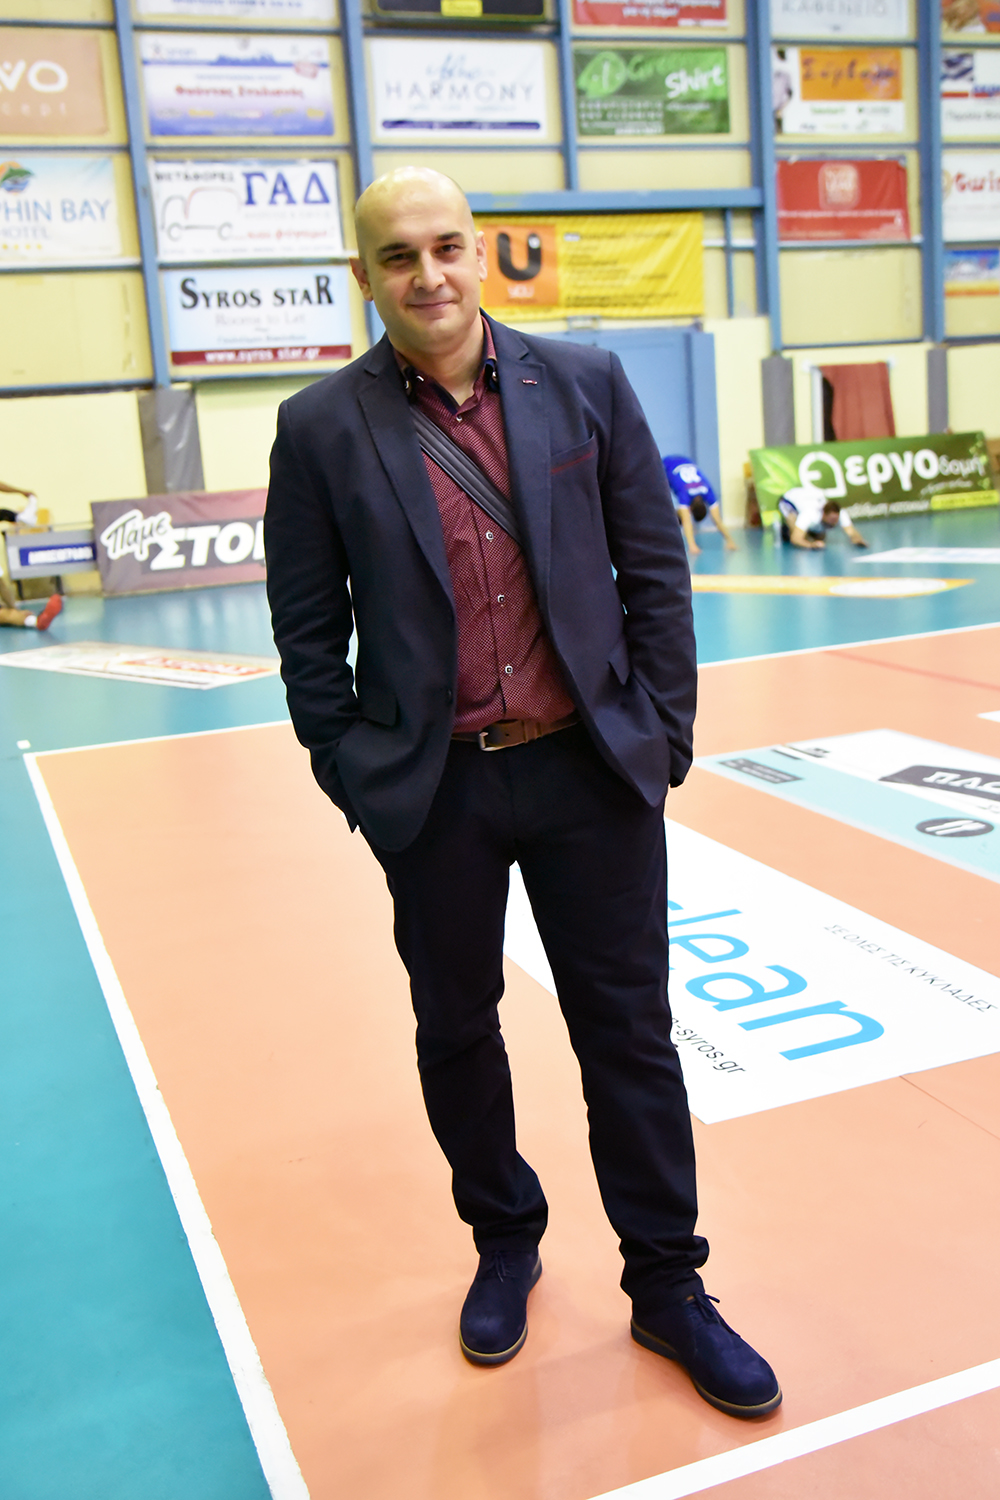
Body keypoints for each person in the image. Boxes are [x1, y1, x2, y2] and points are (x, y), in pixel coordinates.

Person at [264, 167, 780, 1419]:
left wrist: (661, 739)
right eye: (398, 257)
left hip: (587, 771)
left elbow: (654, 573)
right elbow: (306, 631)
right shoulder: (320, 426)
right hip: (434, 788)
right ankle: (504, 1240)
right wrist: (355, 775)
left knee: (629, 1036)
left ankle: (668, 1285)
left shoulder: (585, 383)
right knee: (456, 1029)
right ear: (362, 276)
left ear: (481, 252)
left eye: (446, 247)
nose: (428, 275)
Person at [663, 454, 738, 555]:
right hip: (665, 464)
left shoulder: (707, 490)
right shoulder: (688, 493)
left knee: (679, 515)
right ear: (690, 509)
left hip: (686, 460)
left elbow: (689, 520)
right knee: (677, 515)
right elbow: (716, 519)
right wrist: (692, 546)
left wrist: (730, 541)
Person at [778, 484, 868, 549]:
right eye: (831, 519)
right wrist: (811, 545)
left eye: (836, 520)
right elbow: (795, 539)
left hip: (807, 500)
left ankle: (808, 530)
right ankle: (785, 530)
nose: (834, 523)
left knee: (820, 538)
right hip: (788, 503)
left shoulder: (841, 514)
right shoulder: (810, 514)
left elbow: (851, 531)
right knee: (802, 537)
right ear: (824, 514)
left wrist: (858, 539)